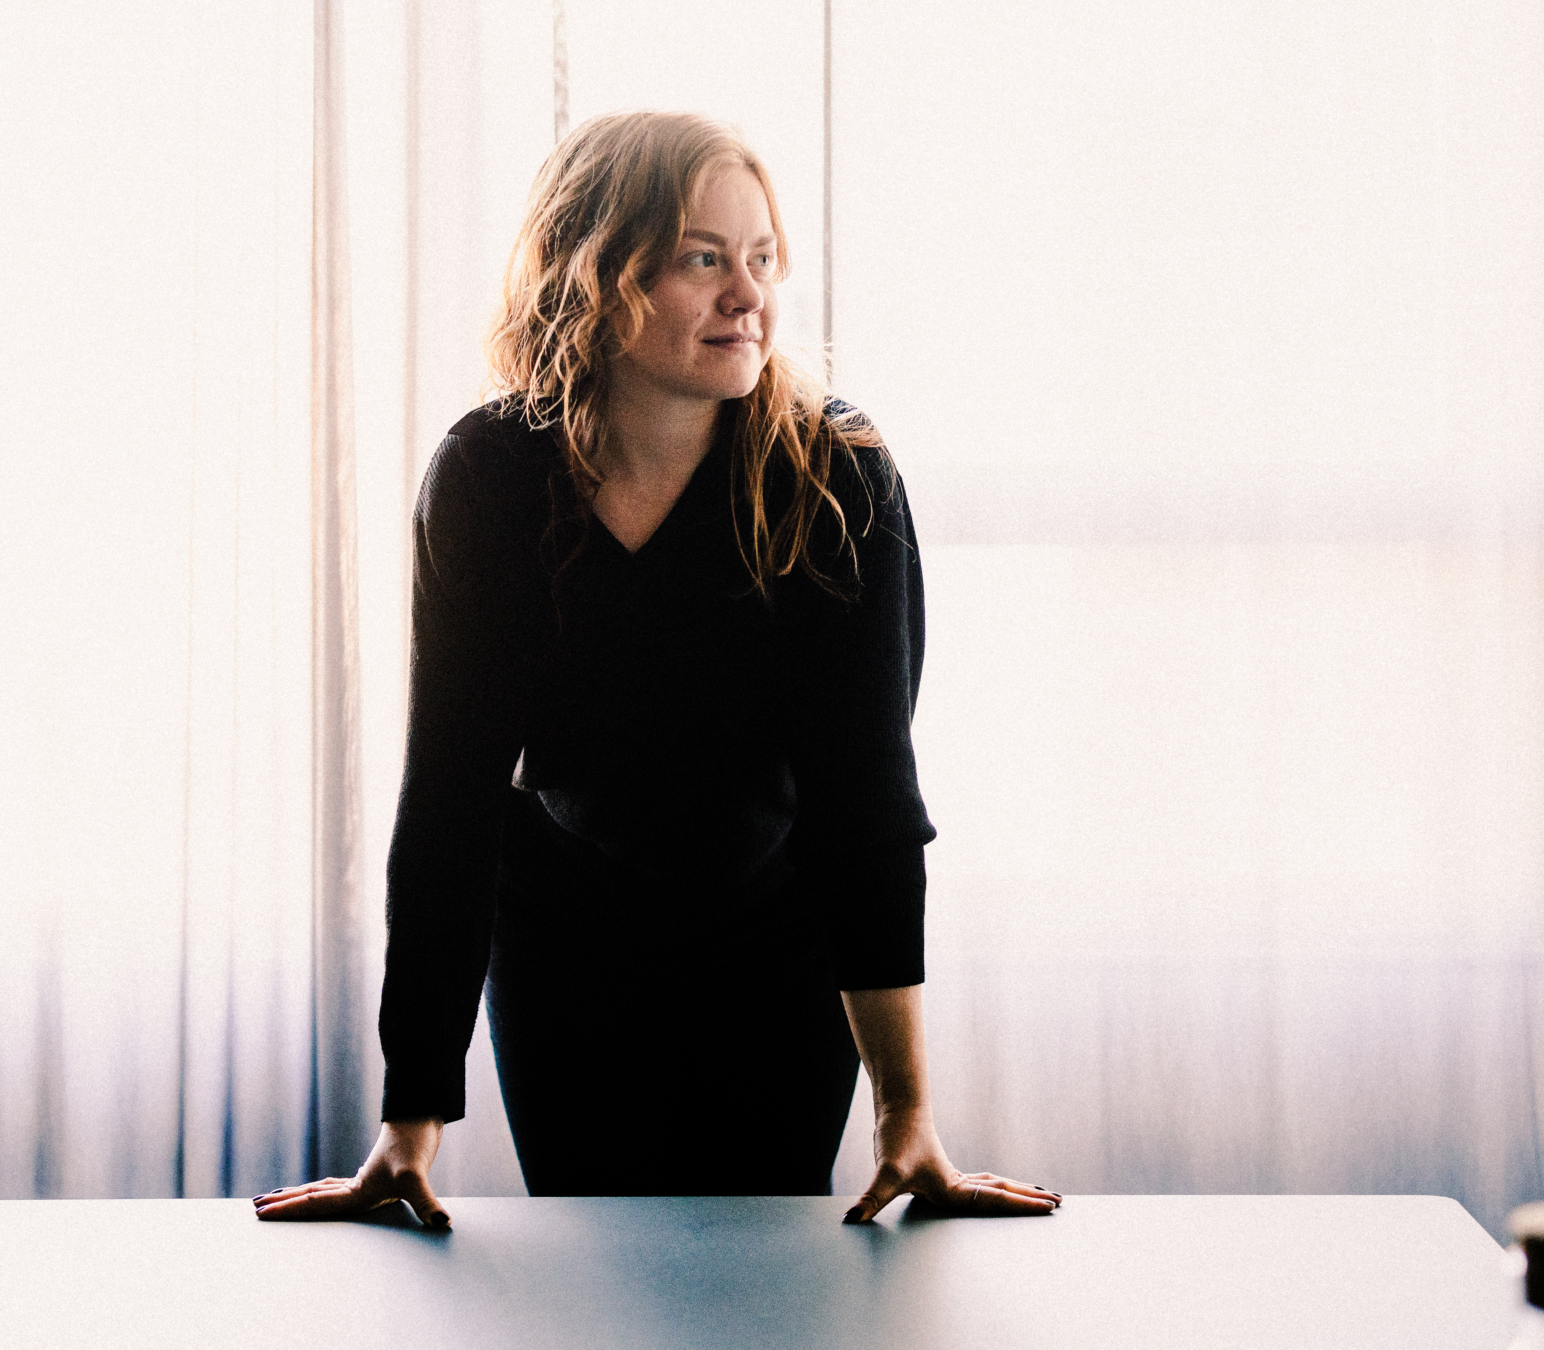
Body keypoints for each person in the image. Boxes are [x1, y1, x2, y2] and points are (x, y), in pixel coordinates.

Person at [256, 110, 1053, 1228]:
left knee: (760, 1269)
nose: (749, 295)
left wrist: (905, 1112)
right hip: (564, 942)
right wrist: (410, 1121)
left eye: (762, 258)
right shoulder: (489, 476)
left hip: (781, 936)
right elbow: (451, 802)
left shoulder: (837, 474)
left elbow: (865, 802)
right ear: (592, 274)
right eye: (702, 259)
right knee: (601, 1265)